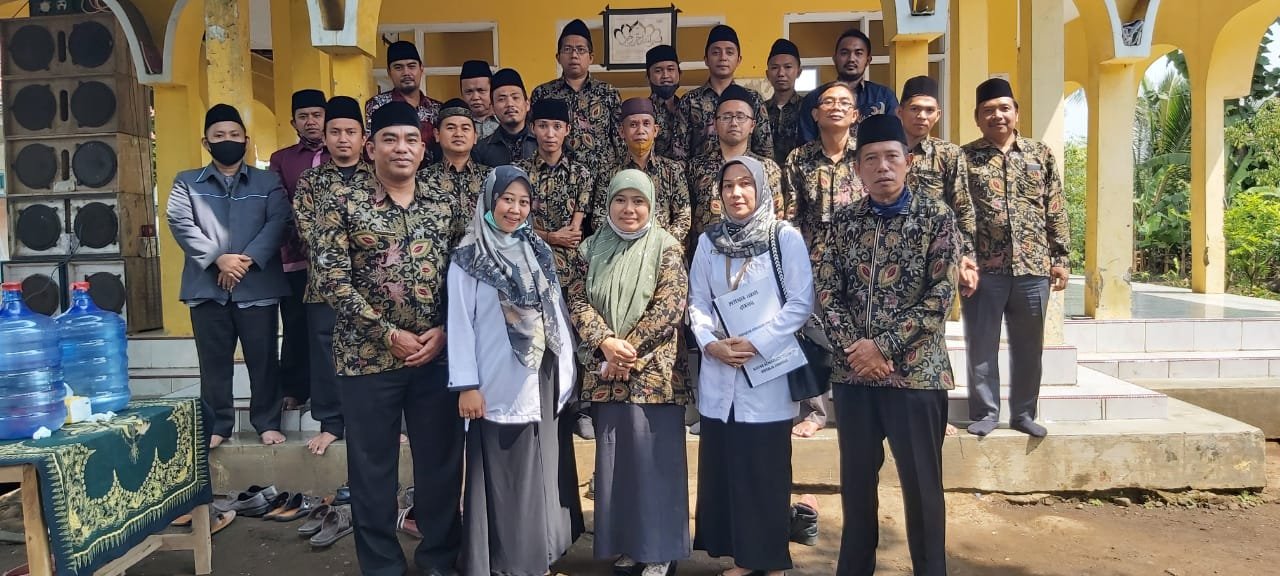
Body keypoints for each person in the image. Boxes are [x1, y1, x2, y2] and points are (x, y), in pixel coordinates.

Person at [311, 101, 467, 576]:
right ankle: (382, 566)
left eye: (411, 140)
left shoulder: (444, 202)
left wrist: (447, 330)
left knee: (440, 466)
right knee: (372, 470)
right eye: (391, 139)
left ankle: (439, 559)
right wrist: (387, 333)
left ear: (423, 148)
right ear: (371, 147)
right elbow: (332, 280)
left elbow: (465, 273)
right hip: (367, 360)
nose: (402, 148)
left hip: (435, 358)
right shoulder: (341, 202)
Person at [814, 113, 957, 576]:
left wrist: (884, 347)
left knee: (923, 489)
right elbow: (826, 290)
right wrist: (856, 349)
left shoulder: (936, 217)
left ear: (908, 162)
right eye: (871, 159)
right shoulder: (844, 221)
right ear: (857, 168)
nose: (882, 167)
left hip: (915, 376)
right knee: (856, 488)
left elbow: (942, 294)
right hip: (854, 377)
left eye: (891, 157)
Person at [449, 165, 583, 576]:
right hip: (495, 378)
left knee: (541, 467)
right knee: (507, 474)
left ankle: (540, 556)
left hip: (541, 375)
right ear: (490, 201)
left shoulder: (535, 248)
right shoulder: (469, 256)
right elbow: (459, 323)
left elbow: (554, 308)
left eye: (524, 202)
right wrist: (467, 384)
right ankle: (508, 563)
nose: (515, 209)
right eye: (507, 199)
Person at [688, 155, 813, 576]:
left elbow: (800, 302)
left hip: (767, 370)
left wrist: (757, 342)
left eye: (745, 184)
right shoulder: (708, 241)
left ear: (761, 189)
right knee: (729, 470)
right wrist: (710, 343)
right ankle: (743, 558)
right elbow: (697, 301)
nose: (737, 193)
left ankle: (771, 561)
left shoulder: (783, 237)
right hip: (720, 368)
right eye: (728, 186)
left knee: (765, 471)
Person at [568, 169, 690, 576]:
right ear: (608, 204)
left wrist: (627, 353)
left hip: (654, 376)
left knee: (655, 465)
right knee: (618, 467)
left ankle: (659, 552)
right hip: (605, 374)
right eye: (621, 200)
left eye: (639, 201)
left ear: (651, 205)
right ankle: (631, 545)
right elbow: (577, 301)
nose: (629, 209)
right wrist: (605, 343)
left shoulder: (667, 247)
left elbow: (669, 308)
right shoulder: (590, 249)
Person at [166, 103, 290, 448]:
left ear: (246, 141)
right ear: (205, 142)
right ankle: (217, 424)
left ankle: (267, 422)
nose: (227, 140)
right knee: (213, 362)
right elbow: (180, 222)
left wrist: (244, 261)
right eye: (219, 135)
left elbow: (279, 221)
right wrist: (218, 259)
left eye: (235, 135)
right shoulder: (186, 182)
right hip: (207, 287)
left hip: (257, 286)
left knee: (264, 360)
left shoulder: (268, 181)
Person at [961, 78, 1071, 438]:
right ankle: (986, 412)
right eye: (988, 110)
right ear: (977, 117)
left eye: (1004, 108)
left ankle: (1024, 413)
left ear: (1017, 113)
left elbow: (1055, 207)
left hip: (1033, 267)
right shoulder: (965, 159)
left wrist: (1061, 257)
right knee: (981, 345)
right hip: (983, 270)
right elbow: (957, 212)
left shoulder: (1040, 154)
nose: (997, 115)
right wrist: (962, 259)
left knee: (1029, 348)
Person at [292, 95, 374, 455]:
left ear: (363, 137)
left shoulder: (378, 177)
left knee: (373, 354)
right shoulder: (310, 181)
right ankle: (331, 424)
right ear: (325, 137)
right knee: (326, 355)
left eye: (350, 132)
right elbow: (308, 229)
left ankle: (375, 421)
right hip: (323, 287)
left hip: (372, 286)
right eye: (335, 132)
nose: (343, 139)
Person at [268, 88, 329, 411]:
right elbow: (279, 204)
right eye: (303, 117)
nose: (311, 122)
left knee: (330, 327)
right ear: (293, 122)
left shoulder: (345, 154)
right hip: (296, 257)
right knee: (295, 323)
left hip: (337, 261)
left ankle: (327, 390)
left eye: (317, 115)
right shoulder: (282, 159)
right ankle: (293, 387)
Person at [687, 84, 785, 250]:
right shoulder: (696, 168)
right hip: (708, 254)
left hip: (756, 256)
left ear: (752, 125)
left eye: (741, 117)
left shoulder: (768, 169)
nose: (733, 123)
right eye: (726, 117)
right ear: (715, 124)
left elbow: (777, 218)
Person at [532, 19, 626, 177]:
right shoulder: (543, 93)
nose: (574, 55)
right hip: (558, 178)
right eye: (567, 49)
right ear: (558, 57)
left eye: (581, 50)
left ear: (591, 57)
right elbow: (534, 138)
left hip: (602, 179)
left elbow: (620, 139)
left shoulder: (608, 93)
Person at [516, 98, 594, 279]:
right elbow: (512, 226)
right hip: (527, 265)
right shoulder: (518, 173)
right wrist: (549, 237)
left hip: (570, 271)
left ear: (567, 129)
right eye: (543, 126)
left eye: (557, 126)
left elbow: (573, 233)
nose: (550, 134)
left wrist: (548, 236)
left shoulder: (580, 174)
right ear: (532, 128)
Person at [785, 82, 863, 260]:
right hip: (813, 259)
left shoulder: (867, 155)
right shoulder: (798, 157)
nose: (836, 107)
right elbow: (792, 216)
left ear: (855, 115)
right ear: (815, 114)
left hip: (859, 256)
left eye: (844, 102)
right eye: (828, 102)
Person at [597, 98, 691, 245]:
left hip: (662, 249)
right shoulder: (608, 173)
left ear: (655, 130)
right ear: (622, 131)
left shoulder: (673, 170)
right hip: (620, 249)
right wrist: (627, 245)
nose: (640, 131)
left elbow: (683, 217)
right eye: (633, 125)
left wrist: (660, 245)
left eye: (646, 124)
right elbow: (599, 218)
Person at [676, 24, 773, 162]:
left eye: (729, 52)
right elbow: (679, 154)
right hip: (701, 174)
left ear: (739, 60)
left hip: (745, 173)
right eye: (716, 52)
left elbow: (765, 152)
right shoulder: (690, 100)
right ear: (706, 59)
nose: (723, 58)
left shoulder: (752, 99)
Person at [797, 29, 898, 144]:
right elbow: (806, 143)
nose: (851, 59)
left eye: (858, 53)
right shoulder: (814, 98)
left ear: (868, 60)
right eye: (844, 53)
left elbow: (894, 139)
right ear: (834, 59)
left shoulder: (884, 97)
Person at [364, 41, 443, 165]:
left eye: (411, 66)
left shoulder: (436, 108)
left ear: (421, 69)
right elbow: (371, 150)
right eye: (398, 67)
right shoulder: (377, 105)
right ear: (389, 72)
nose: (406, 73)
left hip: (433, 175)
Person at [419, 98, 490, 220]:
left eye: (465, 128)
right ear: (437, 134)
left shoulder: (491, 178)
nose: (458, 134)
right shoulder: (420, 181)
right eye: (451, 128)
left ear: (475, 137)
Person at [473, 68, 538, 167]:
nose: (510, 104)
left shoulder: (543, 143)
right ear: (493, 108)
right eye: (501, 99)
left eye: (515, 97)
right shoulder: (481, 150)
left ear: (527, 104)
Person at [765, 39, 804, 169]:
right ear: (767, 74)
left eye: (788, 67)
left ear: (799, 72)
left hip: (801, 176)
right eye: (774, 68)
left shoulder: (808, 109)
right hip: (766, 177)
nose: (781, 73)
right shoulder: (759, 110)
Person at [646, 44, 685, 161]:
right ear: (648, 77)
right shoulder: (644, 112)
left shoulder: (689, 107)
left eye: (671, 69)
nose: (665, 75)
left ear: (679, 73)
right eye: (658, 71)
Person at [460, 60, 499, 139]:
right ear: (461, 93)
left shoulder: (505, 118)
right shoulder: (456, 124)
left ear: (492, 91)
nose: (475, 97)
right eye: (469, 92)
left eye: (481, 91)